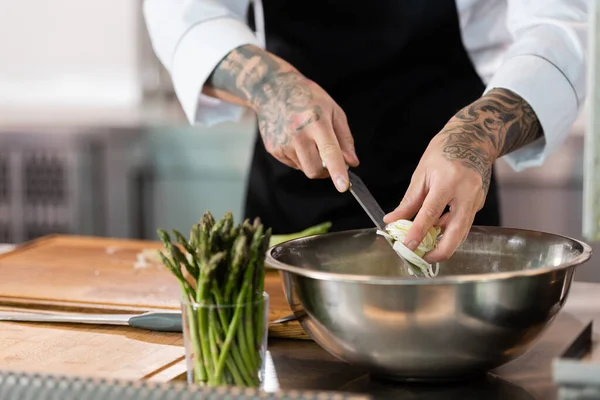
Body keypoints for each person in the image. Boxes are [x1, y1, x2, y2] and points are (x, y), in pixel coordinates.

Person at [143, 0, 588, 262]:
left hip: (454, 183)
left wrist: (478, 134)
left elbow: (560, 28)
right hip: (296, 178)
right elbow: (184, 12)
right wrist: (268, 85)